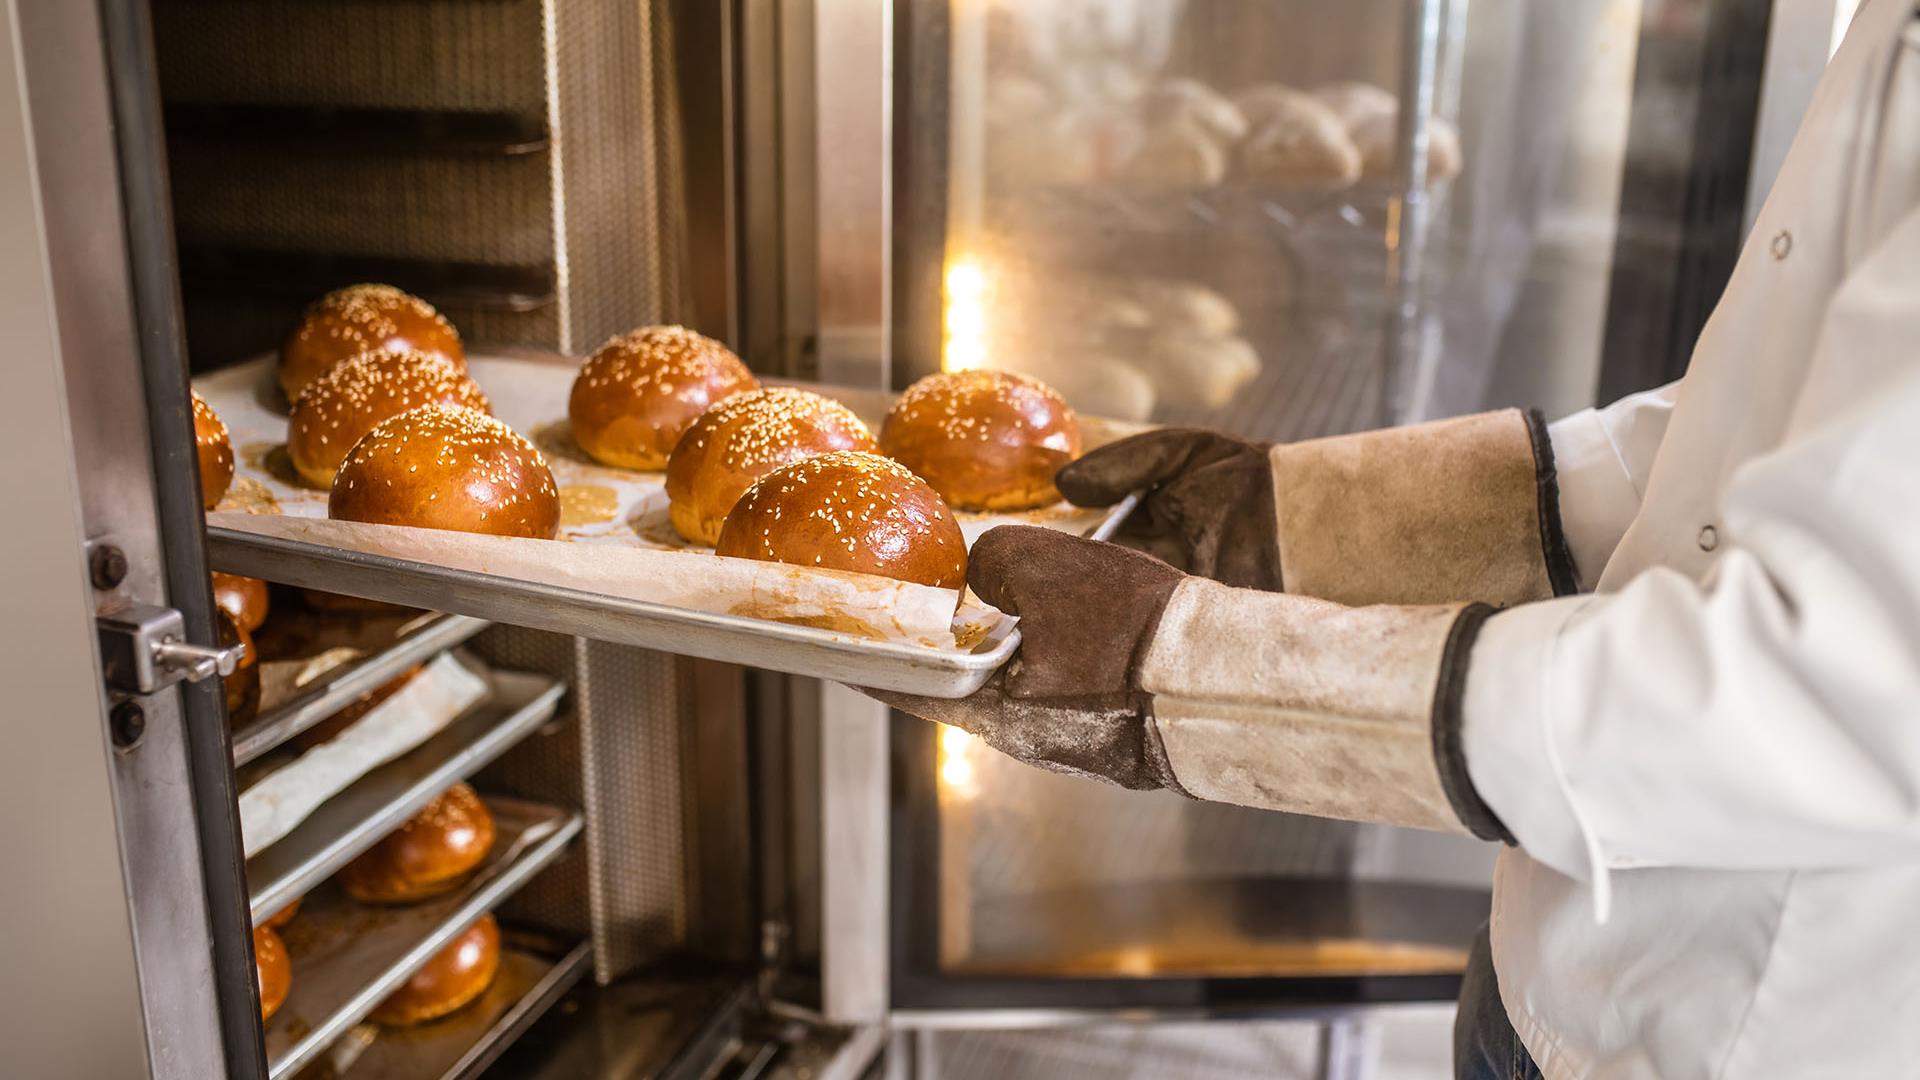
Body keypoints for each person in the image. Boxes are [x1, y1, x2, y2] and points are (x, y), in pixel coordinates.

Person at [871, 0, 1920, 1075]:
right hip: (1540, 974)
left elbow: (1817, 693)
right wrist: (1295, 520)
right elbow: (1752, 432)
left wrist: (1180, 671)